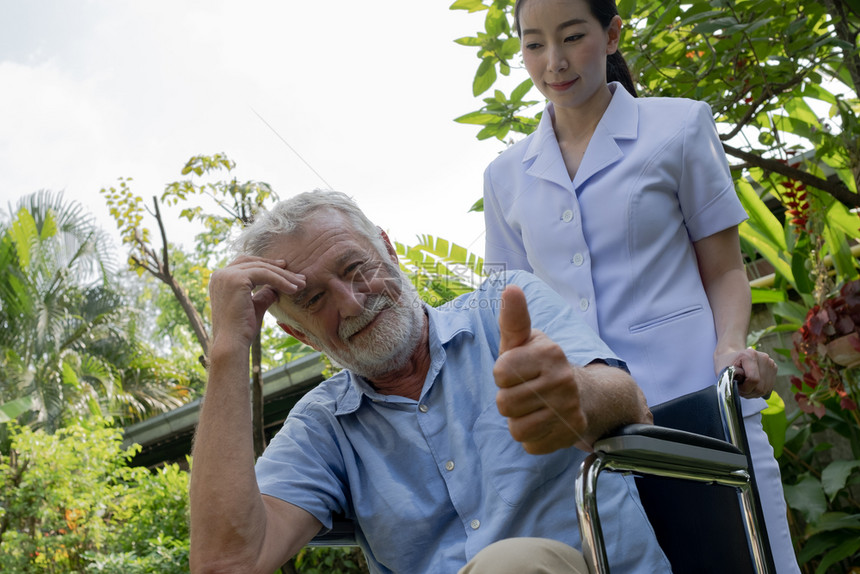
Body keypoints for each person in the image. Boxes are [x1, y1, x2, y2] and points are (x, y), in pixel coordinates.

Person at [189, 190, 672, 574]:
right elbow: (228, 563)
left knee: (514, 566)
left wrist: (575, 396)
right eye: (315, 300)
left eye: (356, 268)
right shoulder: (322, 427)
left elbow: (632, 405)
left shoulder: (506, 307)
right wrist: (229, 350)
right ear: (299, 334)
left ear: (389, 249)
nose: (353, 303)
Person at [481, 0, 798, 571]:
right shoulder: (505, 177)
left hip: (699, 403)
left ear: (611, 35)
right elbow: (508, 309)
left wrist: (730, 346)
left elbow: (725, 269)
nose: (554, 61)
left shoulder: (678, 126)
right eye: (534, 44)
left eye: (573, 36)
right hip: (587, 435)